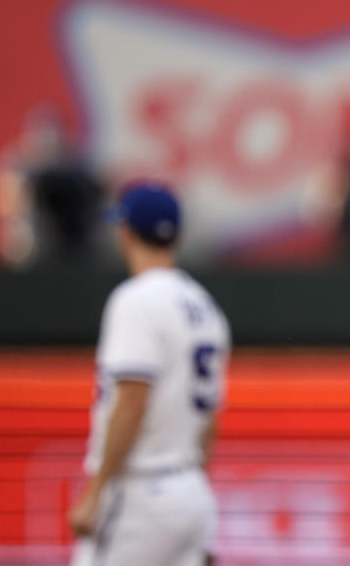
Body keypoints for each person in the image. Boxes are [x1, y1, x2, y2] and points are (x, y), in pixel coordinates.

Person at [68, 182, 230, 566]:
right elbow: (208, 422)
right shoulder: (205, 307)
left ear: (125, 232)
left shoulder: (135, 300)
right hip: (189, 486)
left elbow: (132, 401)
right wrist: (195, 499)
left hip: (140, 489)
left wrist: (95, 490)